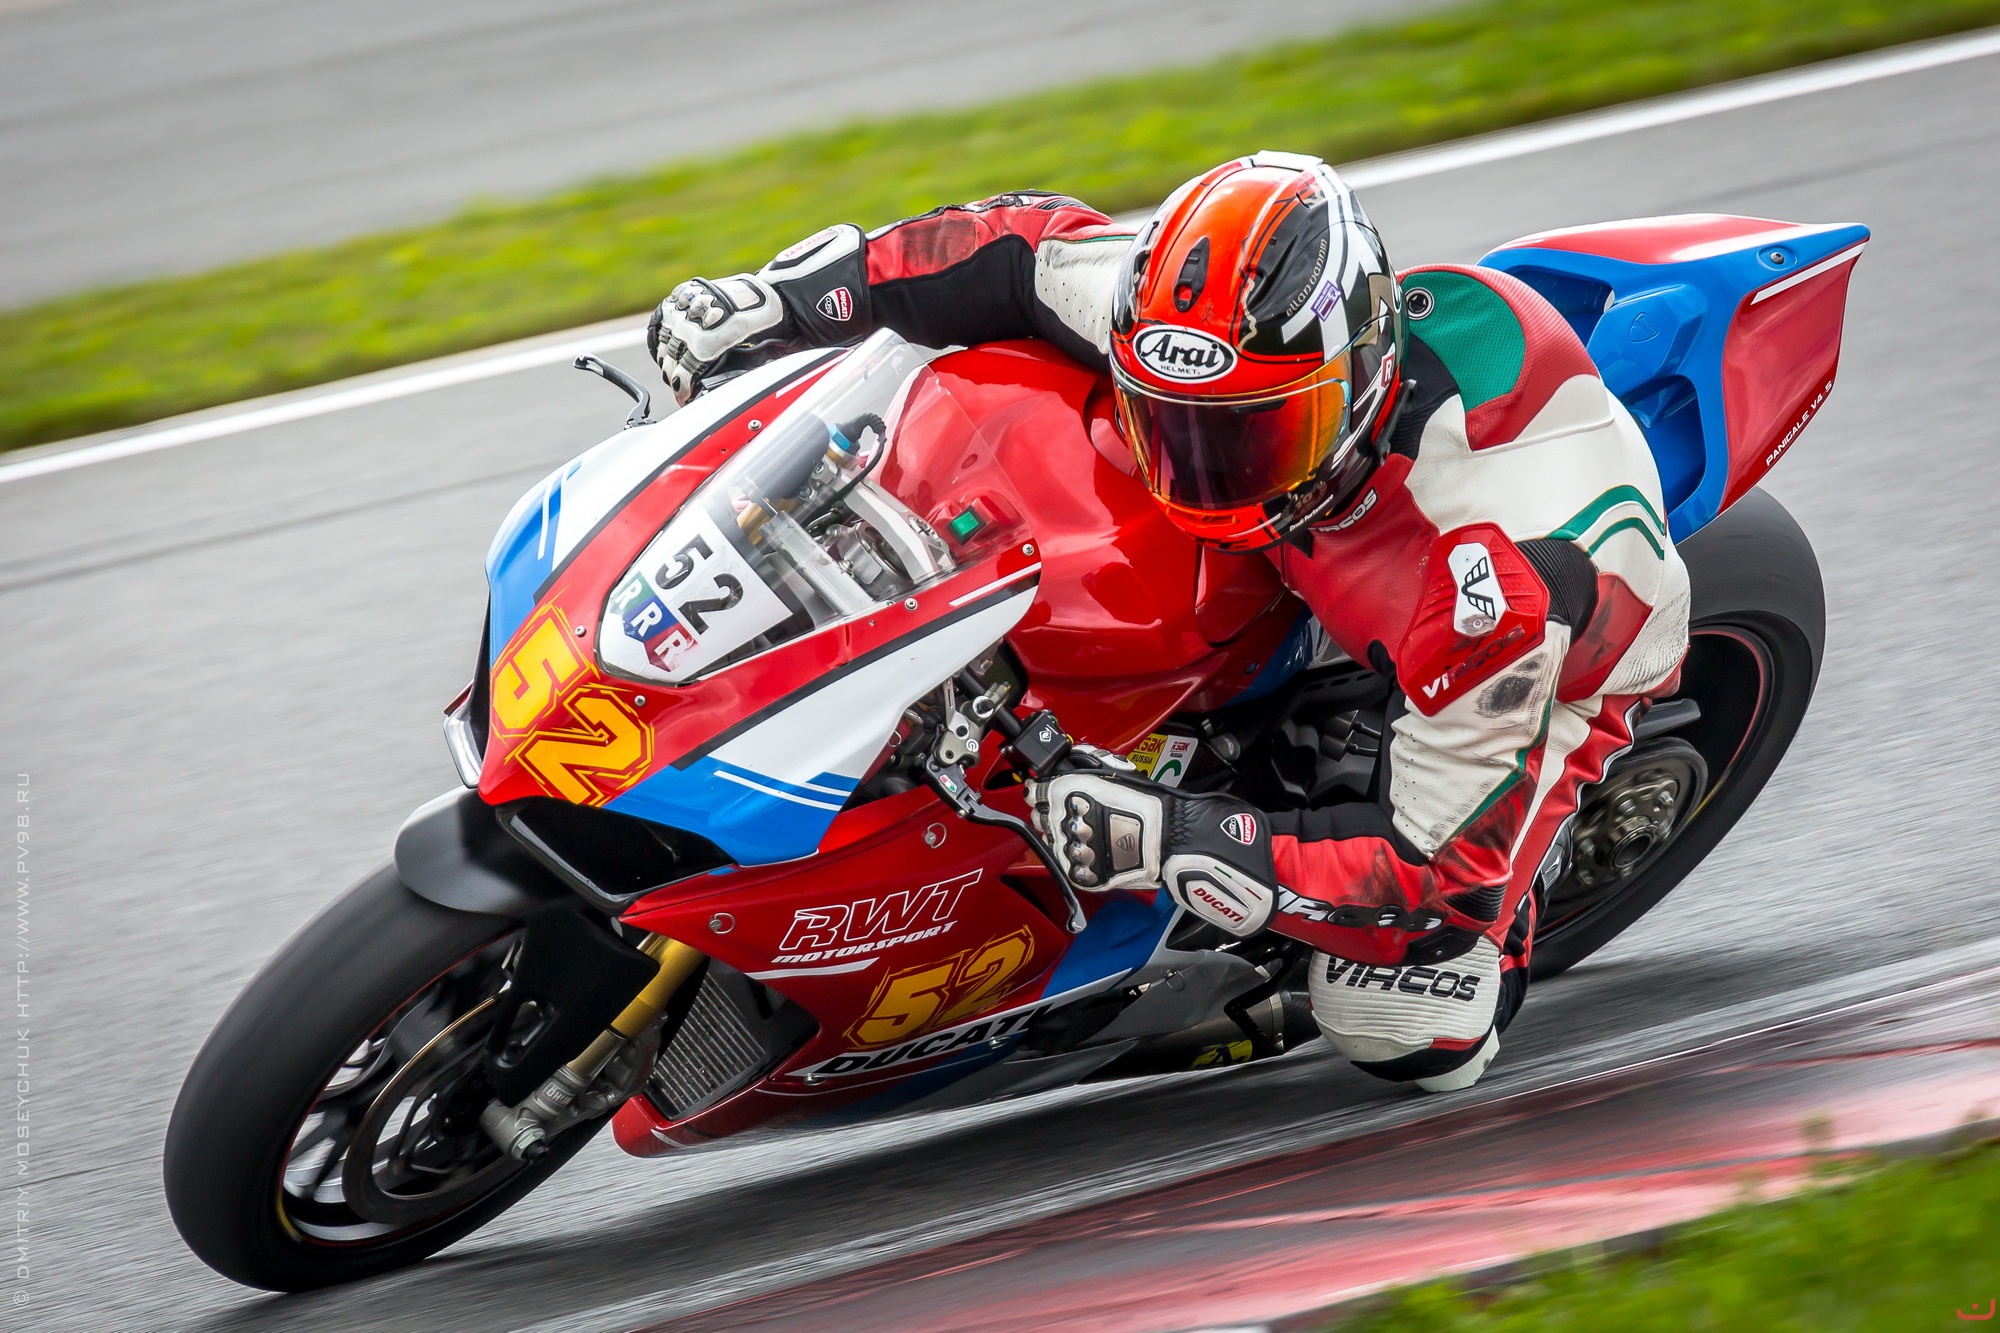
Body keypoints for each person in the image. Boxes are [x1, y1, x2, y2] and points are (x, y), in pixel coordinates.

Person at [646, 152, 1689, 1092]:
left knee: (1404, 1021)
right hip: (1319, 535)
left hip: (1551, 655)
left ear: (1359, 379)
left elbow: (1431, 879)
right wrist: (782, 300)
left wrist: (1171, 837)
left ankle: (1518, 911)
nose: (1204, 470)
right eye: (1172, 421)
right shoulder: (1192, 336)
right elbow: (1012, 248)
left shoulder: (1488, 589)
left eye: (1255, 434)